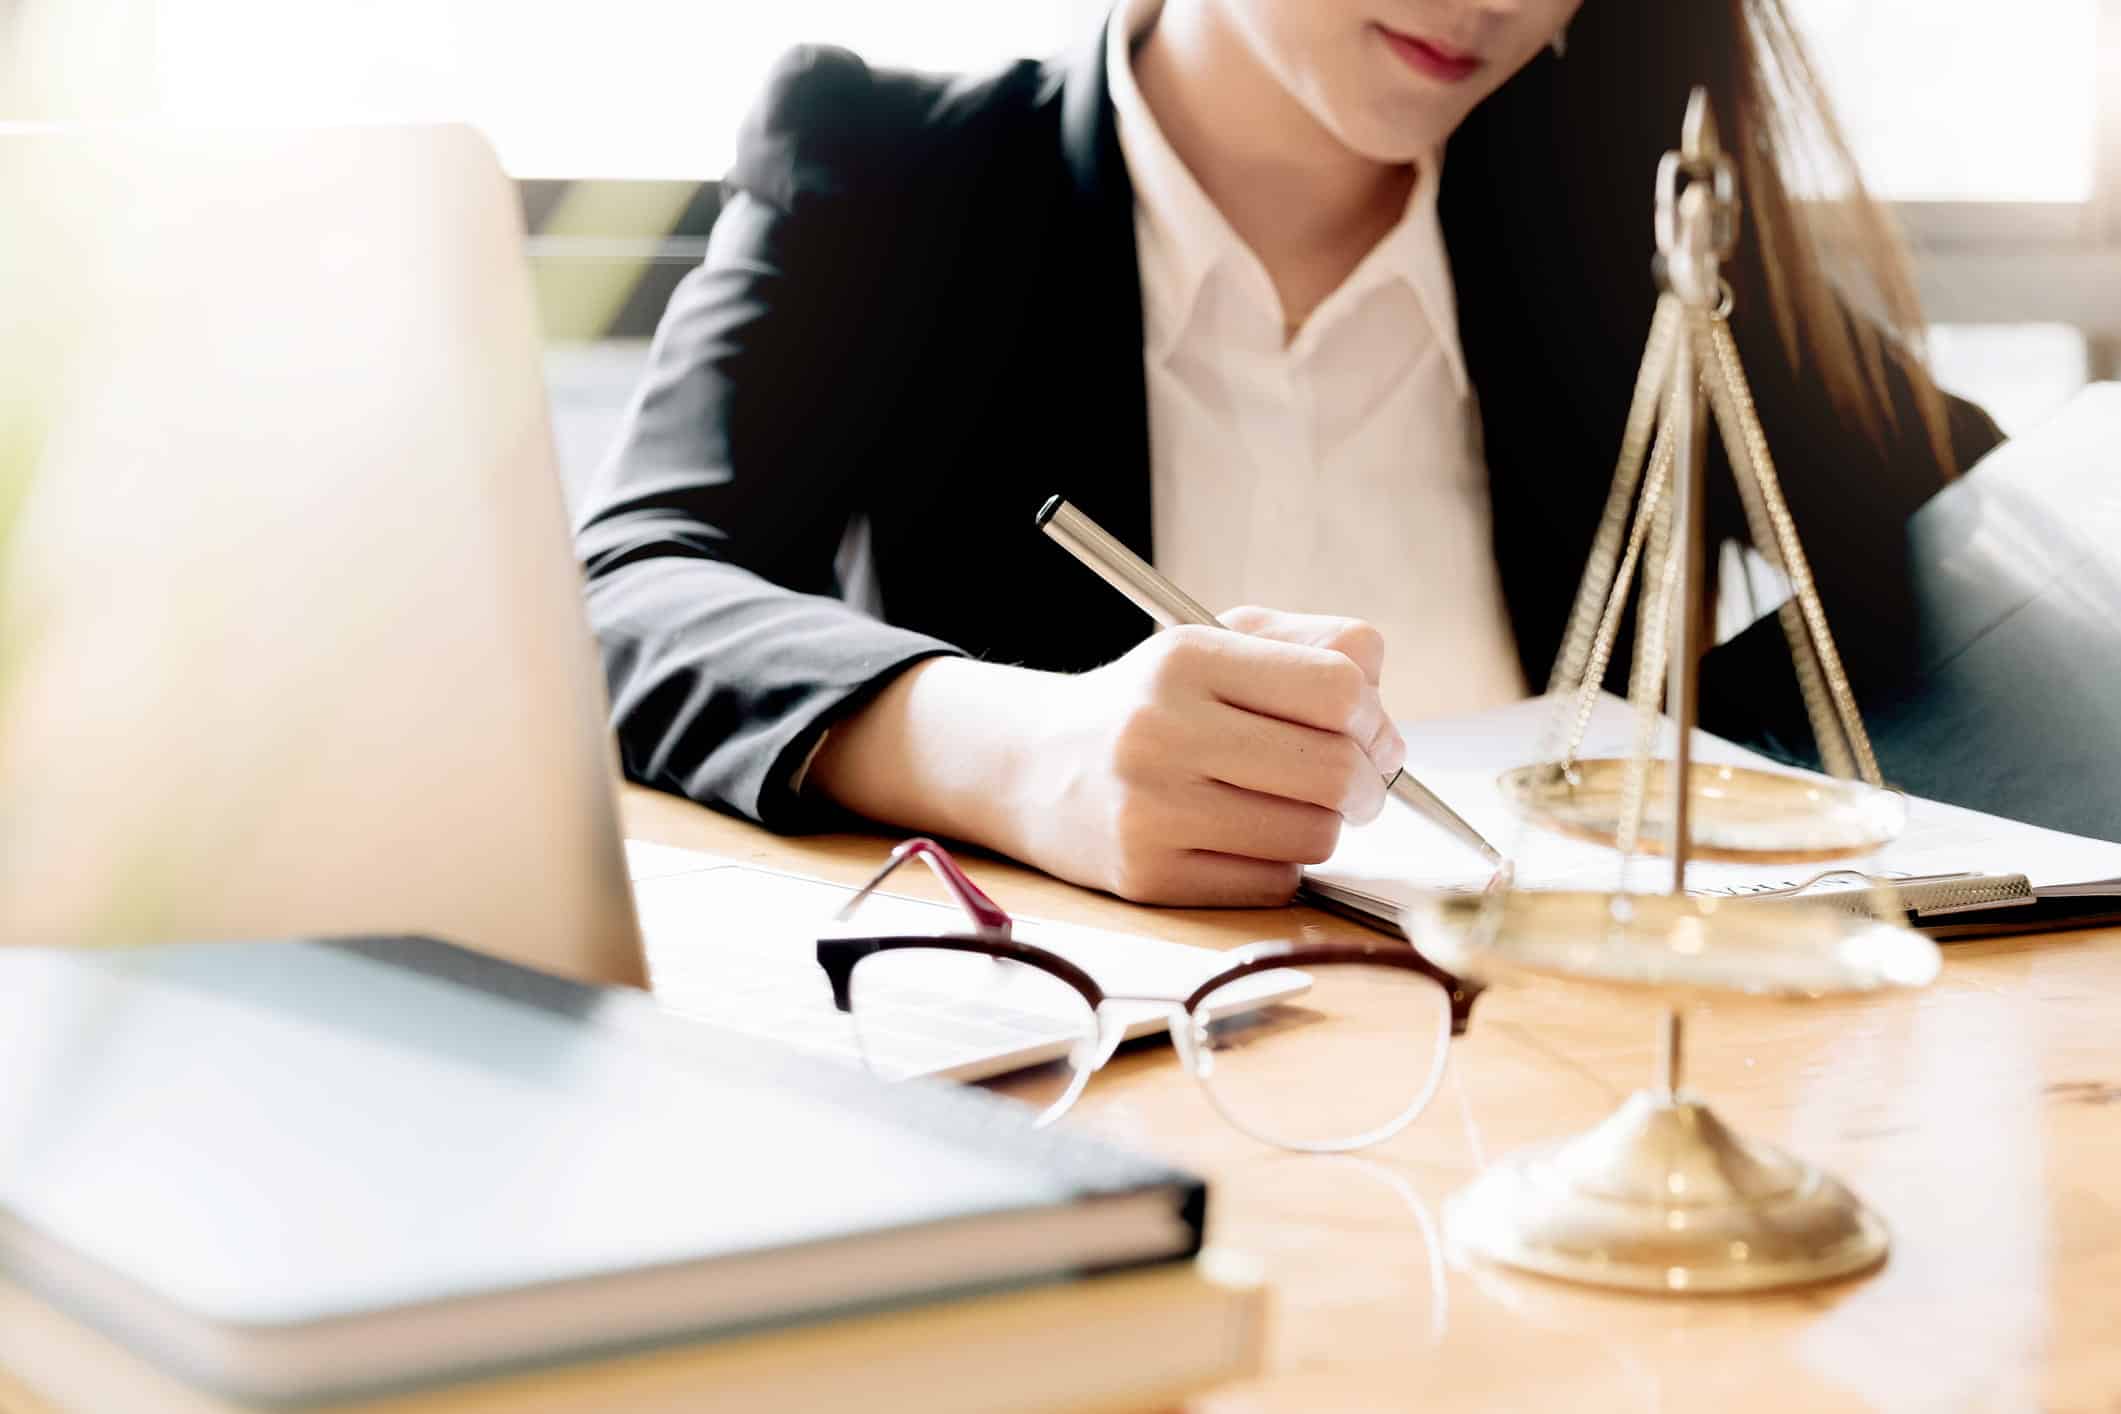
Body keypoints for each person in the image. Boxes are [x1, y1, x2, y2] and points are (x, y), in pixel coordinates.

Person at [575, 0, 2001, 906]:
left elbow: (2024, 560)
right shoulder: (897, 172)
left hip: (1563, 1113)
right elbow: (621, 589)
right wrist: (1013, 752)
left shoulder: (1616, 231)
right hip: (1101, 1114)